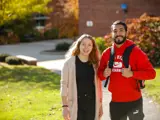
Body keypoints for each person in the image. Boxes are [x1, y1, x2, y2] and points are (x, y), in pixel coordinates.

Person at [98, 20, 156, 120]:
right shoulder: (107, 53)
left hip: (134, 101)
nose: (118, 33)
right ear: (112, 33)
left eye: (121, 30)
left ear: (126, 32)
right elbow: (99, 75)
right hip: (116, 102)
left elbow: (152, 73)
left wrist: (132, 73)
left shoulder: (136, 51)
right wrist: (104, 73)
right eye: (115, 31)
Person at [60, 34, 103, 120]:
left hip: (92, 105)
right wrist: (65, 107)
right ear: (78, 45)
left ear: (92, 48)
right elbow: (64, 85)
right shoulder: (69, 63)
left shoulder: (95, 64)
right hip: (76, 105)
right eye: (83, 44)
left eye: (89, 45)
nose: (86, 47)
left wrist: (100, 105)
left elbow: (98, 87)